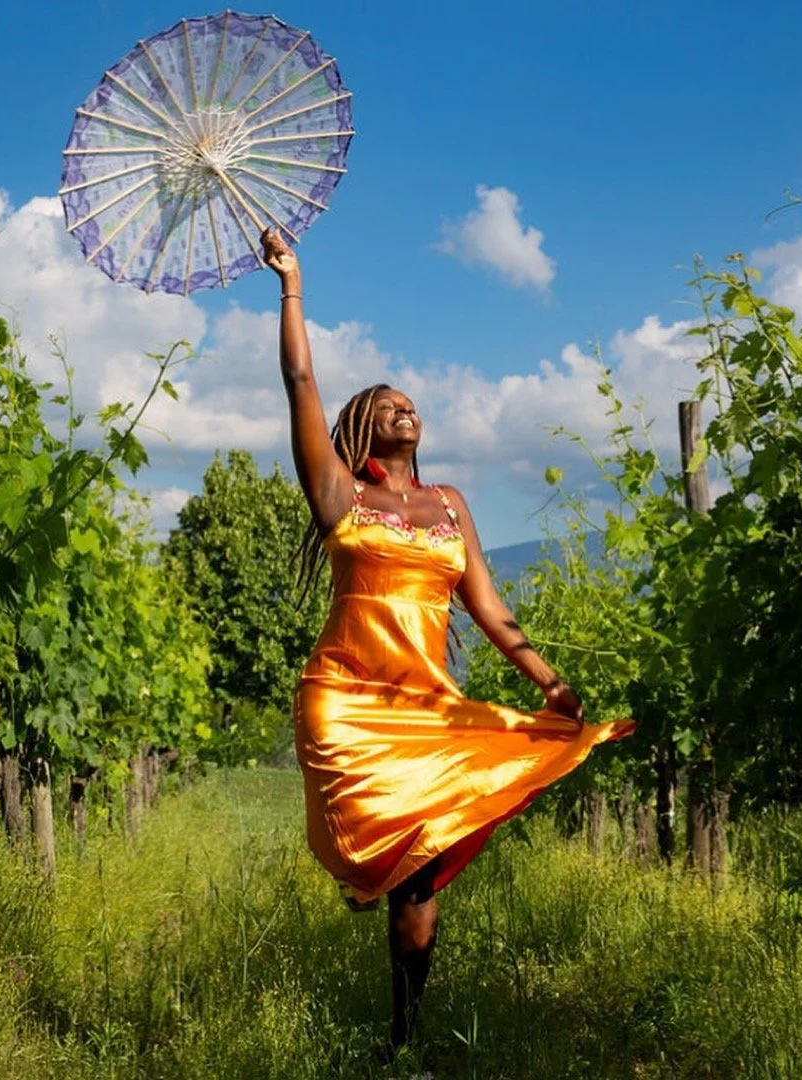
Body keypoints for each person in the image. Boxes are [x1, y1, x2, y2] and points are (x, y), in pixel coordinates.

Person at [261, 227, 634, 1052]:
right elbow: (300, 380)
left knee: (421, 874)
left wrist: (549, 682)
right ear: (360, 426)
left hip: (425, 708)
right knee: (393, 859)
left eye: (410, 402)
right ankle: (395, 1007)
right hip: (346, 702)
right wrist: (292, 284)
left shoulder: (451, 506)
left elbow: (492, 611)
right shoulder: (338, 492)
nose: (405, 407)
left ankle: (404, 1040)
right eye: (385, 404)